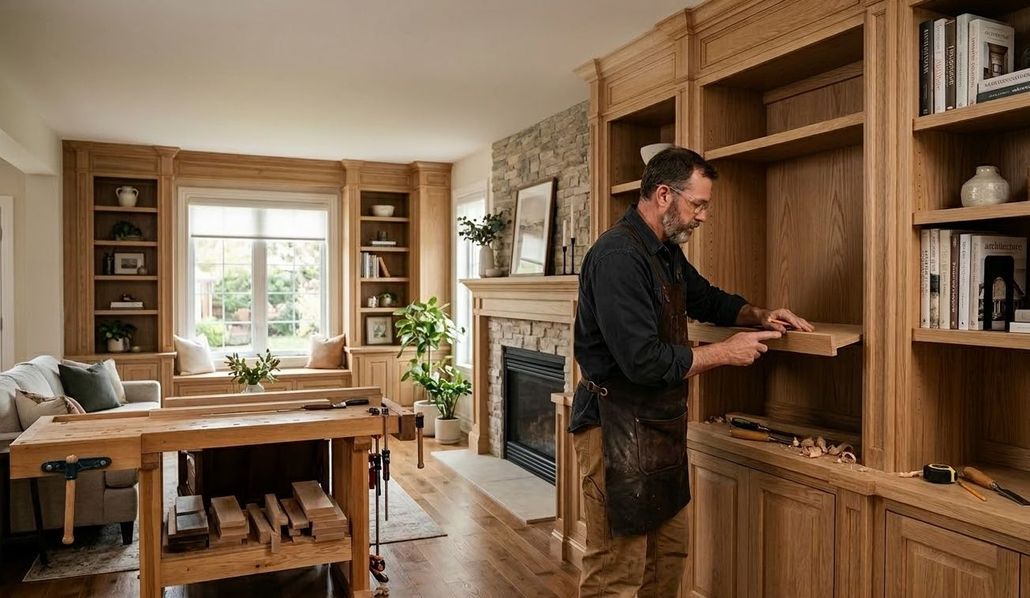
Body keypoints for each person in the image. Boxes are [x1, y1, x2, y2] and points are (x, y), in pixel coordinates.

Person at [571, 146, 813, 597]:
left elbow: (706, 298)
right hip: (616, 428)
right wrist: (724, 353)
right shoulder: (618, 258)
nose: (702, 216)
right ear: (664, 194)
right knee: (617, 572)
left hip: (660, 429)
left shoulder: (664, 251)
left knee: (667, 561)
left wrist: (759, 314)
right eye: (697, 204)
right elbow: (644, 362)